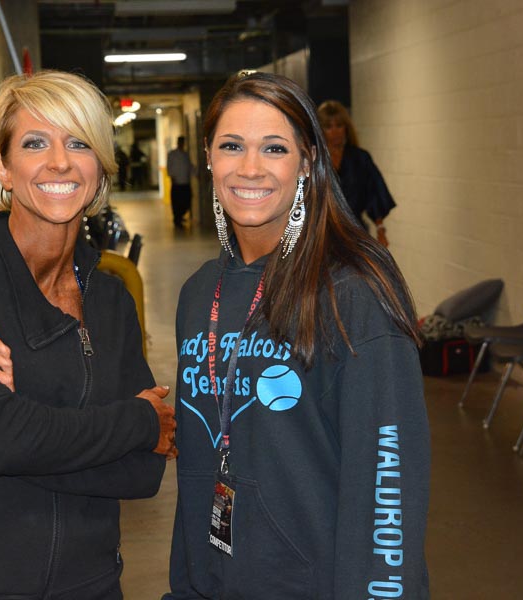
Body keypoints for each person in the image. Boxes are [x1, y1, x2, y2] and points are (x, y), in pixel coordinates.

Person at [0, 70, 177, 600]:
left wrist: (21, 426)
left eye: (79, 143)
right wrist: (138, 421)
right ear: (3, 168)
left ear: (100, 168)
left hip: (95, 584)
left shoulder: (112, 299)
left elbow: (141, 475)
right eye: (35, 143)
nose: (59, 162)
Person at [165, 72, 429, 598]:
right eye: (232, 146)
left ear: (307, 162)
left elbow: (388, 487)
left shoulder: (352, 292)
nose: (250, 167)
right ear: (208, 156)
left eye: (275, 148)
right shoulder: (199, 295)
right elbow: (198, 464)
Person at [317, 99, 396, 247]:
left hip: (355, 233)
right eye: (328, 127)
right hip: (321, 235)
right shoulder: (314, 160)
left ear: (346, 128)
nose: (335, 132)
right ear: (320, 130)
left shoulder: (360, 159)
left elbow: (375, 193)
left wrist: (380, 229)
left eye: (339, 125)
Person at [166, 136, 194, 229]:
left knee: (187, 201)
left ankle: (180, 216)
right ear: (178, 142)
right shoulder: (172, 154)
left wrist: (196, 173)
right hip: (177, 183)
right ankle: (177, 219)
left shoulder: (185, 155)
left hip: (185, 182)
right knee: (177, 203)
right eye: (180, 142)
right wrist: (172, 176)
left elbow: (189, 166)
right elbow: (169, 166)